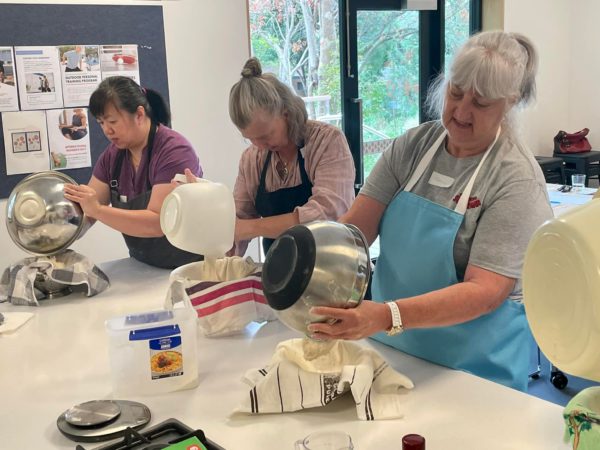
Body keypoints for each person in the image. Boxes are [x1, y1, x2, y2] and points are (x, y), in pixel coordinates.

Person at [306, 31, 553, 392]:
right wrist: (307, 275)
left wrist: (387, 314)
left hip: (474, 374)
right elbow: (353, 234)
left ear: (509, 103)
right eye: (456, 92)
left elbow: (484, 292)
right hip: (392, 352)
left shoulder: (516, 180)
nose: (462, 112)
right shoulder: (413, 147)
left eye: (481, 103)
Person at [63, 76, 203, 269]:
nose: (107, 130)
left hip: (188, 267)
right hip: (144, 266)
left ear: (139, 114)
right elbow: (89, 206)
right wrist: (64, 231)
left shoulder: (174, 151)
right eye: (101, 122)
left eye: (112, 121)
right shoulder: (112, 157)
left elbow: (157, 222)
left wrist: (97, 209)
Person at [227, 57, 356, 255]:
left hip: (334, 268)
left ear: (286, 113)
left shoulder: (326, 141)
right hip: (278, 273)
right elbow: (239, 219)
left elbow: (327, 215)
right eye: (250, 139)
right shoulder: (252, 159)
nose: (260, 146)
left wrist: (251, 228)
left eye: (265, 135)